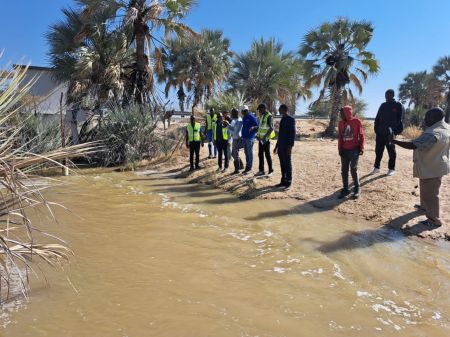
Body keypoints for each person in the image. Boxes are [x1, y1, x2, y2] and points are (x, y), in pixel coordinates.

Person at [390, 107, 450, 227]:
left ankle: (434, 220)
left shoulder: (434, 133)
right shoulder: (446, 127)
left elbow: (413, 145)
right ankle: (423, 207)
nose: (425, 119)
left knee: (431, 195)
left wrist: (394, 141)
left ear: (434, 117)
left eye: (427, 117)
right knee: (425, 188)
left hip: (432, 166)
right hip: (435, 164)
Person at [371, 89, 404, 176]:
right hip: (380, 132)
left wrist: (393, 130)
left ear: (392, 95)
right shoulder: (383, 105)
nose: (386, 96)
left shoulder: (397, 105)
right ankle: (376, 167)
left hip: (390, 132)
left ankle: (391, 169)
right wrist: (376, 129)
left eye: (388, 95)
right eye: (385, 95)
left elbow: (399, 119)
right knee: (378, 150)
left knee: (391, 151)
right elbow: (377, 117)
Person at [337, 106, 365, 199]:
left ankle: (357, 188)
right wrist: (340, 149)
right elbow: (340, 137)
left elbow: (361, 135)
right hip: (344, 150)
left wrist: (361, 148)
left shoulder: (356, 121)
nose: (340, 115)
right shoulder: (340, 123)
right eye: (340, 113)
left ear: (347, 113)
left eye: (342, 113)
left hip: (354, 150)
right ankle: (345, 189)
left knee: (353, 169)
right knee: (344, 170)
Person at [273, 104, 296, 189]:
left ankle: (288, 182)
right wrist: (276, 146)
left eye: (280, 109)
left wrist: (290, 146)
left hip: (287, 146)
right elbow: (280, 135)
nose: (279, 110)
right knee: (282, 164)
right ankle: (283, 181)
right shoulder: (282, 119)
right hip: (281, 146)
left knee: (287, 164)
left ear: (284, 109)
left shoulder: (291, 119)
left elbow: (292, 134)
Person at [255, 103, 275, 177]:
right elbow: (260, 128)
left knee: (267, 155)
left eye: (260, 109)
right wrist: (257, 135)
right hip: (260, 140)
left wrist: (264, 138)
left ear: (264, 108)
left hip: (265, 140)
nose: (259, 111)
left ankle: (270, 171)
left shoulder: (269, 116)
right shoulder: (262, 116)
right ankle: (261, 170)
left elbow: (271, 128)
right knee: (260, 155)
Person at [241, 105, 259, 175]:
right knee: (246, 152)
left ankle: (249, 167)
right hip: (244, 137)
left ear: (247, 110)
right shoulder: (244, 117)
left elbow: (257, 126)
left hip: (250, 137)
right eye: (243, 111)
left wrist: (253, 128)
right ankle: (247, 166)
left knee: (249, 152)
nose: (245, 112)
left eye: (246, 110)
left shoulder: (251, 116)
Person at [229, 108, 244, 174]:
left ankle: (236, 170)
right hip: (236, 138)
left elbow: (234, 130)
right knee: (234, 153)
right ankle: (241, 165)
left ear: (235, 113)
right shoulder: (237, 119)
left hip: (236, 138)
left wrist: (227, 126)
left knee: (235, 154)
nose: (231, 114)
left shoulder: (237, 120)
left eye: (232, 113)